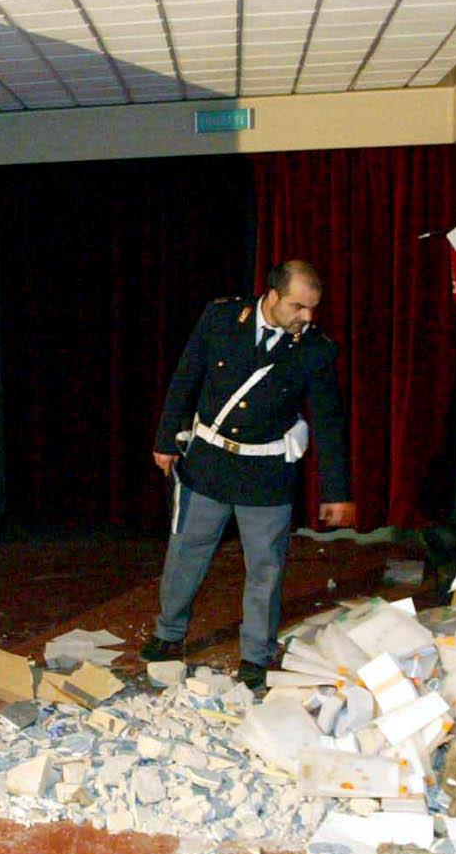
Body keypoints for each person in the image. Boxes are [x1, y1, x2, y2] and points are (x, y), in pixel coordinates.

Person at [141, 260, 356, 691]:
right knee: (187, 552)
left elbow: (329, 421)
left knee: (266, 568)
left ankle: (255, 655)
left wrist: (335, 491)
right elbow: (186, 376)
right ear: (273, 296)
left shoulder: (315, 349)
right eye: (299, 307)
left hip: (266, 474)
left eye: (313, 308)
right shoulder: (221, 318)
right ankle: (169, 633)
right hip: (209, 465)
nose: (307, 317)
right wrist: (165, 439)